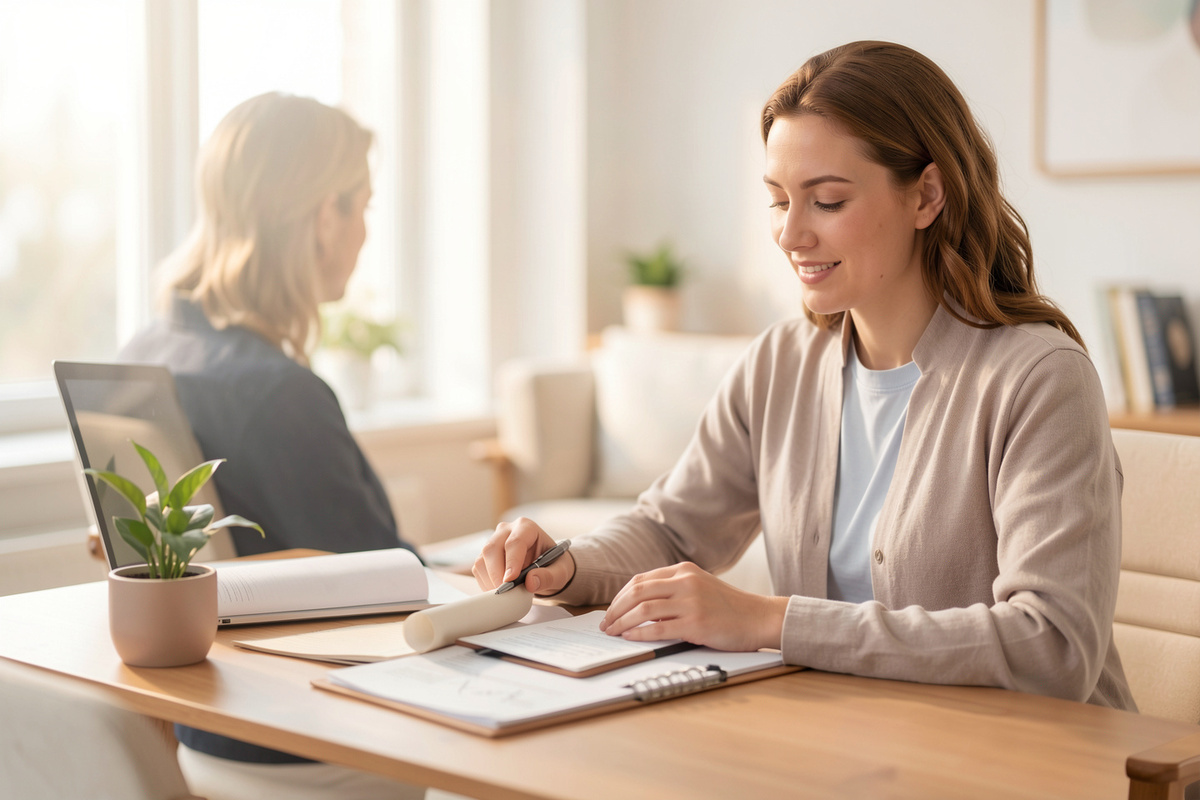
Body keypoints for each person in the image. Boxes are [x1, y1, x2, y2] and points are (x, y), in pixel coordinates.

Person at [474, 40, 1136, 711]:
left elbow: (1051, 647)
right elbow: (673, 530)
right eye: (778, 200)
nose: (791, 234)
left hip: (1033, 763)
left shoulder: (1040, 380)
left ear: (927, 195)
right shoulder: (780, 364)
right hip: (853, 745)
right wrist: (567, 565)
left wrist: (771, 620)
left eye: (825, 201)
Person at [121, 92, 424, 799]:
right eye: (364, 208)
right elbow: (394, 591)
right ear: (325, 218)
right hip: (306, 743)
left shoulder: (152, 349)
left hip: (208, 731)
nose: (365, 233)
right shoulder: (276, 392)